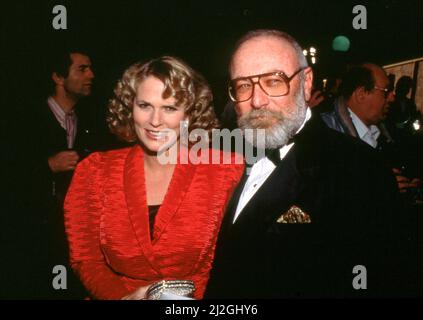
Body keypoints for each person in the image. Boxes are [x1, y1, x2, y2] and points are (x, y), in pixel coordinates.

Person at [204, 29, 409, 298]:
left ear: (307, 81)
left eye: (274, 81)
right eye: (243, 85)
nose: (256, 100)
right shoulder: (220, 154)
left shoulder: (359, 168)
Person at [63, 56, 244, 300]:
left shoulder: (225, 169)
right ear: (130, 106)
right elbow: (86, 259)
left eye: (169, 108)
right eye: (145, 105)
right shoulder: (95, 171)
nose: (155, 121)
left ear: (189, 115)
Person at [4, 48, 97, 299]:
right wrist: (47, 166)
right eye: (82, 69)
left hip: (66, 238)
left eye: (90, 68)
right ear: (58, 77)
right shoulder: (23, 119)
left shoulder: (86, 123)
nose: (91, 74)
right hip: (28, 239)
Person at [321, 64, 422, 198]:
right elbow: (323, 192)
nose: (392, 97)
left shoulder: (384, 132)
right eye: (386, 91)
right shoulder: (324, 132)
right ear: (361, 94)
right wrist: (380, 187)